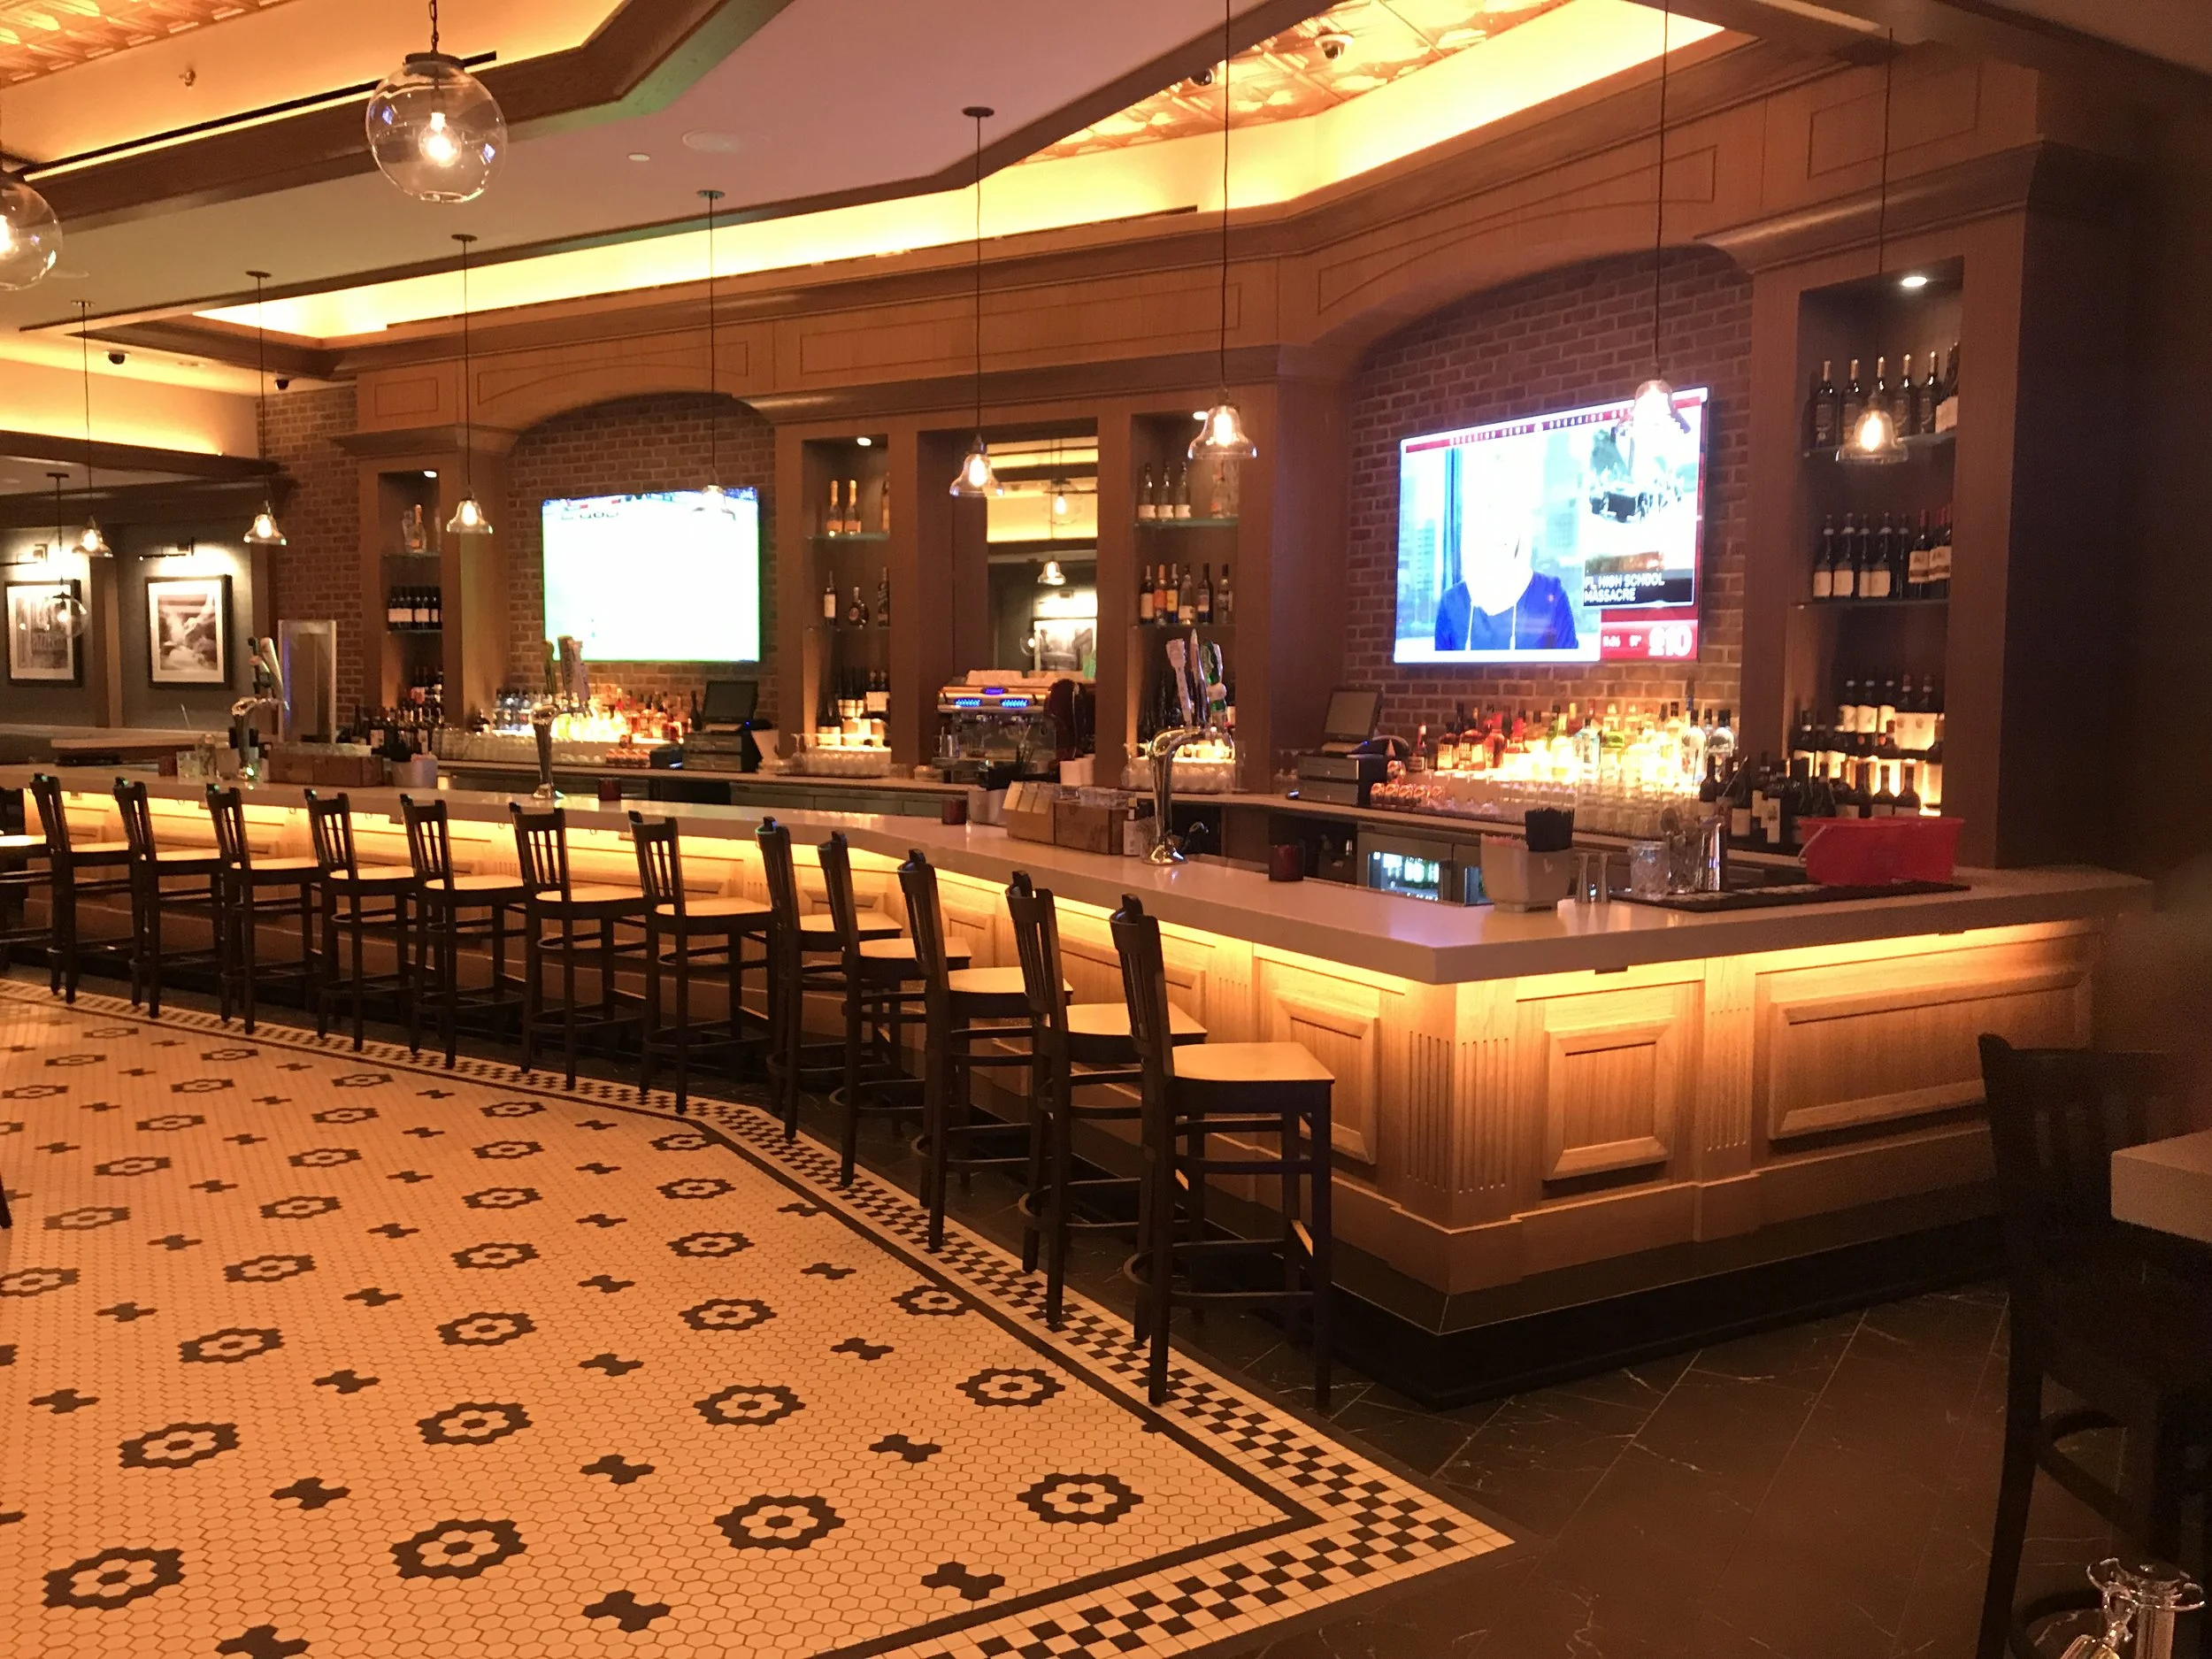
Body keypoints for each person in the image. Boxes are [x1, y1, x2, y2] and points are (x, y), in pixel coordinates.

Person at [1432, 457, 1578, 652]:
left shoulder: (1552, 595)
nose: (1499, 527)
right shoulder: (1452, 604)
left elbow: (1572, 678)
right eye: (1490, 509)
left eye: (1509, 510)